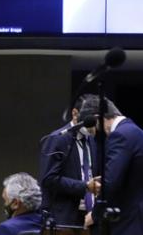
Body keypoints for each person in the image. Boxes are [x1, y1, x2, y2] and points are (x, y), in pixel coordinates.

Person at [86, 100, 143, 235]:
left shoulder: (120, 135)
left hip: (134, 223)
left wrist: (94, 214)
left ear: (98, 118)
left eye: (95, 127)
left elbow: (111, 184)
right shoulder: (138, 133)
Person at [39, 94, 100, 231]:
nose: (92, 125)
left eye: (95, 121)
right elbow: (48, 179)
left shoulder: (92, 141)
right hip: (64, 218)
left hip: (89, 217)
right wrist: (84, 186)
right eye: (89, 119)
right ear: (74, 113)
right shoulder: (57, 139)